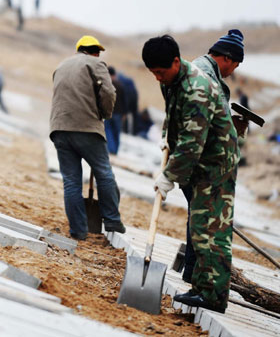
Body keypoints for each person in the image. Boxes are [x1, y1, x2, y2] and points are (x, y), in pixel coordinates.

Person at [142, 34, 239, 314]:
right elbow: (173, 117)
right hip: (199, 158)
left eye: (161, 72)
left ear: (176, 61)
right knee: (198, 228)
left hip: (216, 161)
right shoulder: (171, 81)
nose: (158, 79)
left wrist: (168, 176)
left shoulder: (197, 87)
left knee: (212, 228)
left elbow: (192, 142)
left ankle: (214, 295)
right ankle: (200, 288)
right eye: (153, 74)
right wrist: (165, 137)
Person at [178, 29, 247, 284]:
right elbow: (199, 120)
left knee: (199, 213)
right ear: (227, 58)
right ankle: (195, 273)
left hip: (195, 155)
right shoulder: (204, 74)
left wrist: (231, 125)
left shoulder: (205, 71)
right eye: (236, 63)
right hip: (198, 158)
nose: (235, 69)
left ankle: (192, 271)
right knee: (203, 214)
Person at [49, 35, 126, 241]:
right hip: (87, 129)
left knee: (71, 181)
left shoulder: (62, 65)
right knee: (103, 172)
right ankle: (111, 218)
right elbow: (108, 93)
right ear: (94, 51)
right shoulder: (96, 63)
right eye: (97, 51)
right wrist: (105, 114)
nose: (98, 54)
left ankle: (78, 230)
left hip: (59, 129)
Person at [104, 66, 125, 154]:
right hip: (118, 114)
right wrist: (124, 113)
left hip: (109, 112)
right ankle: (115, 150)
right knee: (117, 132)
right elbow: (125, 100)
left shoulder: (106, 85)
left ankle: (111, 149)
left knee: (108, 131)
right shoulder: (120, 85)